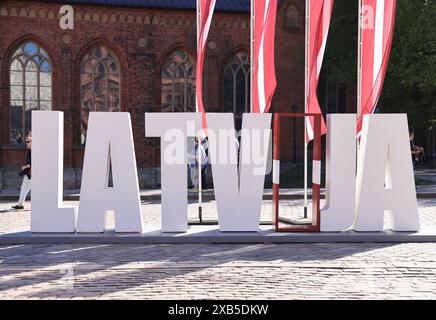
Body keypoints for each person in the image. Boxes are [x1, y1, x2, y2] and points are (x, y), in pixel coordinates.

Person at [12, 134, 32, 210]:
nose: (26, 143)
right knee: (24, 188)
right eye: (26, 141)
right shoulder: (30, 151)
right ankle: (20, 204)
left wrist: (25, 167)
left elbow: (33, 163)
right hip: (28, 173)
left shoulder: (34, 151)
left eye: (28, 141)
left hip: (32, 174)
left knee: (29, 189)